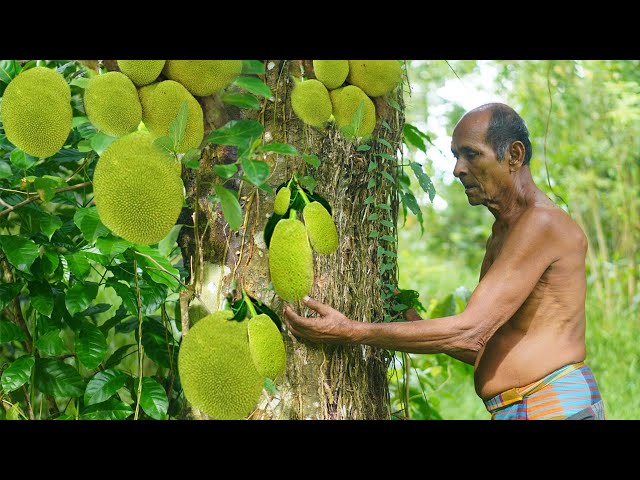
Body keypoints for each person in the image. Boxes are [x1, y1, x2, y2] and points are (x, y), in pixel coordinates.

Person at [283, 103, 605, 420]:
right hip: (526, 405)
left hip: (552, 404)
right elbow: (488, 345)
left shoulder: (541, 224)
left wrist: (352, 331)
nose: (458, 169)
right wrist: (411, 320)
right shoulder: (503, 231)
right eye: (456, 156)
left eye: (472, 154)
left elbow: (470, 331)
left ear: (514, 156)